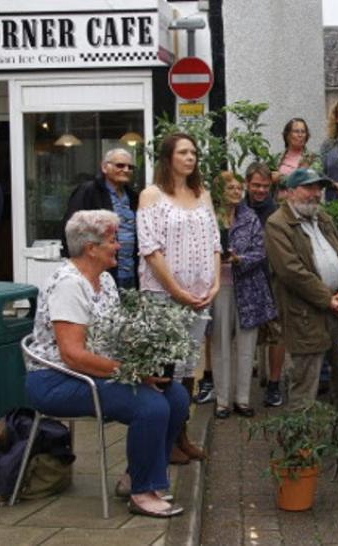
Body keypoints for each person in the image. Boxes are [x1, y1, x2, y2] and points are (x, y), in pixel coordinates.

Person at [26, 210, 189, 518]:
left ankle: (134, 476)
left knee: (176, 397)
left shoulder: (104, 280)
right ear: (91, 248)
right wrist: (131, 373)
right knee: (151, 406)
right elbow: (72, 355)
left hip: (92, 371)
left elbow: (114, 334)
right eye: (113, 240)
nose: (120, 245)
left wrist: (148, 353)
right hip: (55, 379)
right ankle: (143, 491)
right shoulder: (69, 285)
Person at [264, 167, 338, 445]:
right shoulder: (277, 224)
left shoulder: (322, 217)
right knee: (305, 379)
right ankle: (297, 443)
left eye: (319, 188)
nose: (316, 193)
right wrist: (329, 298)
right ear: (290, 192)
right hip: (306, 314)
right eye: (308, 188)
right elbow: (292, 272)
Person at [137, 132, 220, 463]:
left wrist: (213, 284)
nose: (191, 158)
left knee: (188, 369)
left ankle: (180, 433)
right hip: (164, 296)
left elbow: (215, 243)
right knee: (164, 368)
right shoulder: (151, 196)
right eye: (184, 152)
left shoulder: (203, 194)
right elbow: (150, 249)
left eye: (194, 152)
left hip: (200, 296)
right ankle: (164, 439)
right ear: (168, 157)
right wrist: (177, 291)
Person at [210, 172, 277, 419]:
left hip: (248, 285)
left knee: (247, 344)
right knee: (220, 343)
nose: (237, 191)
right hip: (219, 287)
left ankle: (243, 399)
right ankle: (222, 401)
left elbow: (260, 252)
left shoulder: (250, 218)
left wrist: (239, 259)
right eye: (231, 187)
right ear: (220, 191)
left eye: (239, 188)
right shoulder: (209, 217)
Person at [61, 148, 139, 288]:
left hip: (130, 272)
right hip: (98, 272)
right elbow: (71, 231)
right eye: (120, 165)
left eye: (130, 167)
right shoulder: (88, 191)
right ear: (104, 167)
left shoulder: (133, 197)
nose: (126, 170)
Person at [242, 162, 287, 408]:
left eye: (265, 186)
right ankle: (241, 387)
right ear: (247, 184)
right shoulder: (237, 210)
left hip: (272, 280)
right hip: (245, 281)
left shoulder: (278, 213)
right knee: (244, 334)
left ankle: (274, 383)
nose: (260, 190)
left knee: (276, 334)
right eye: (256, 185)